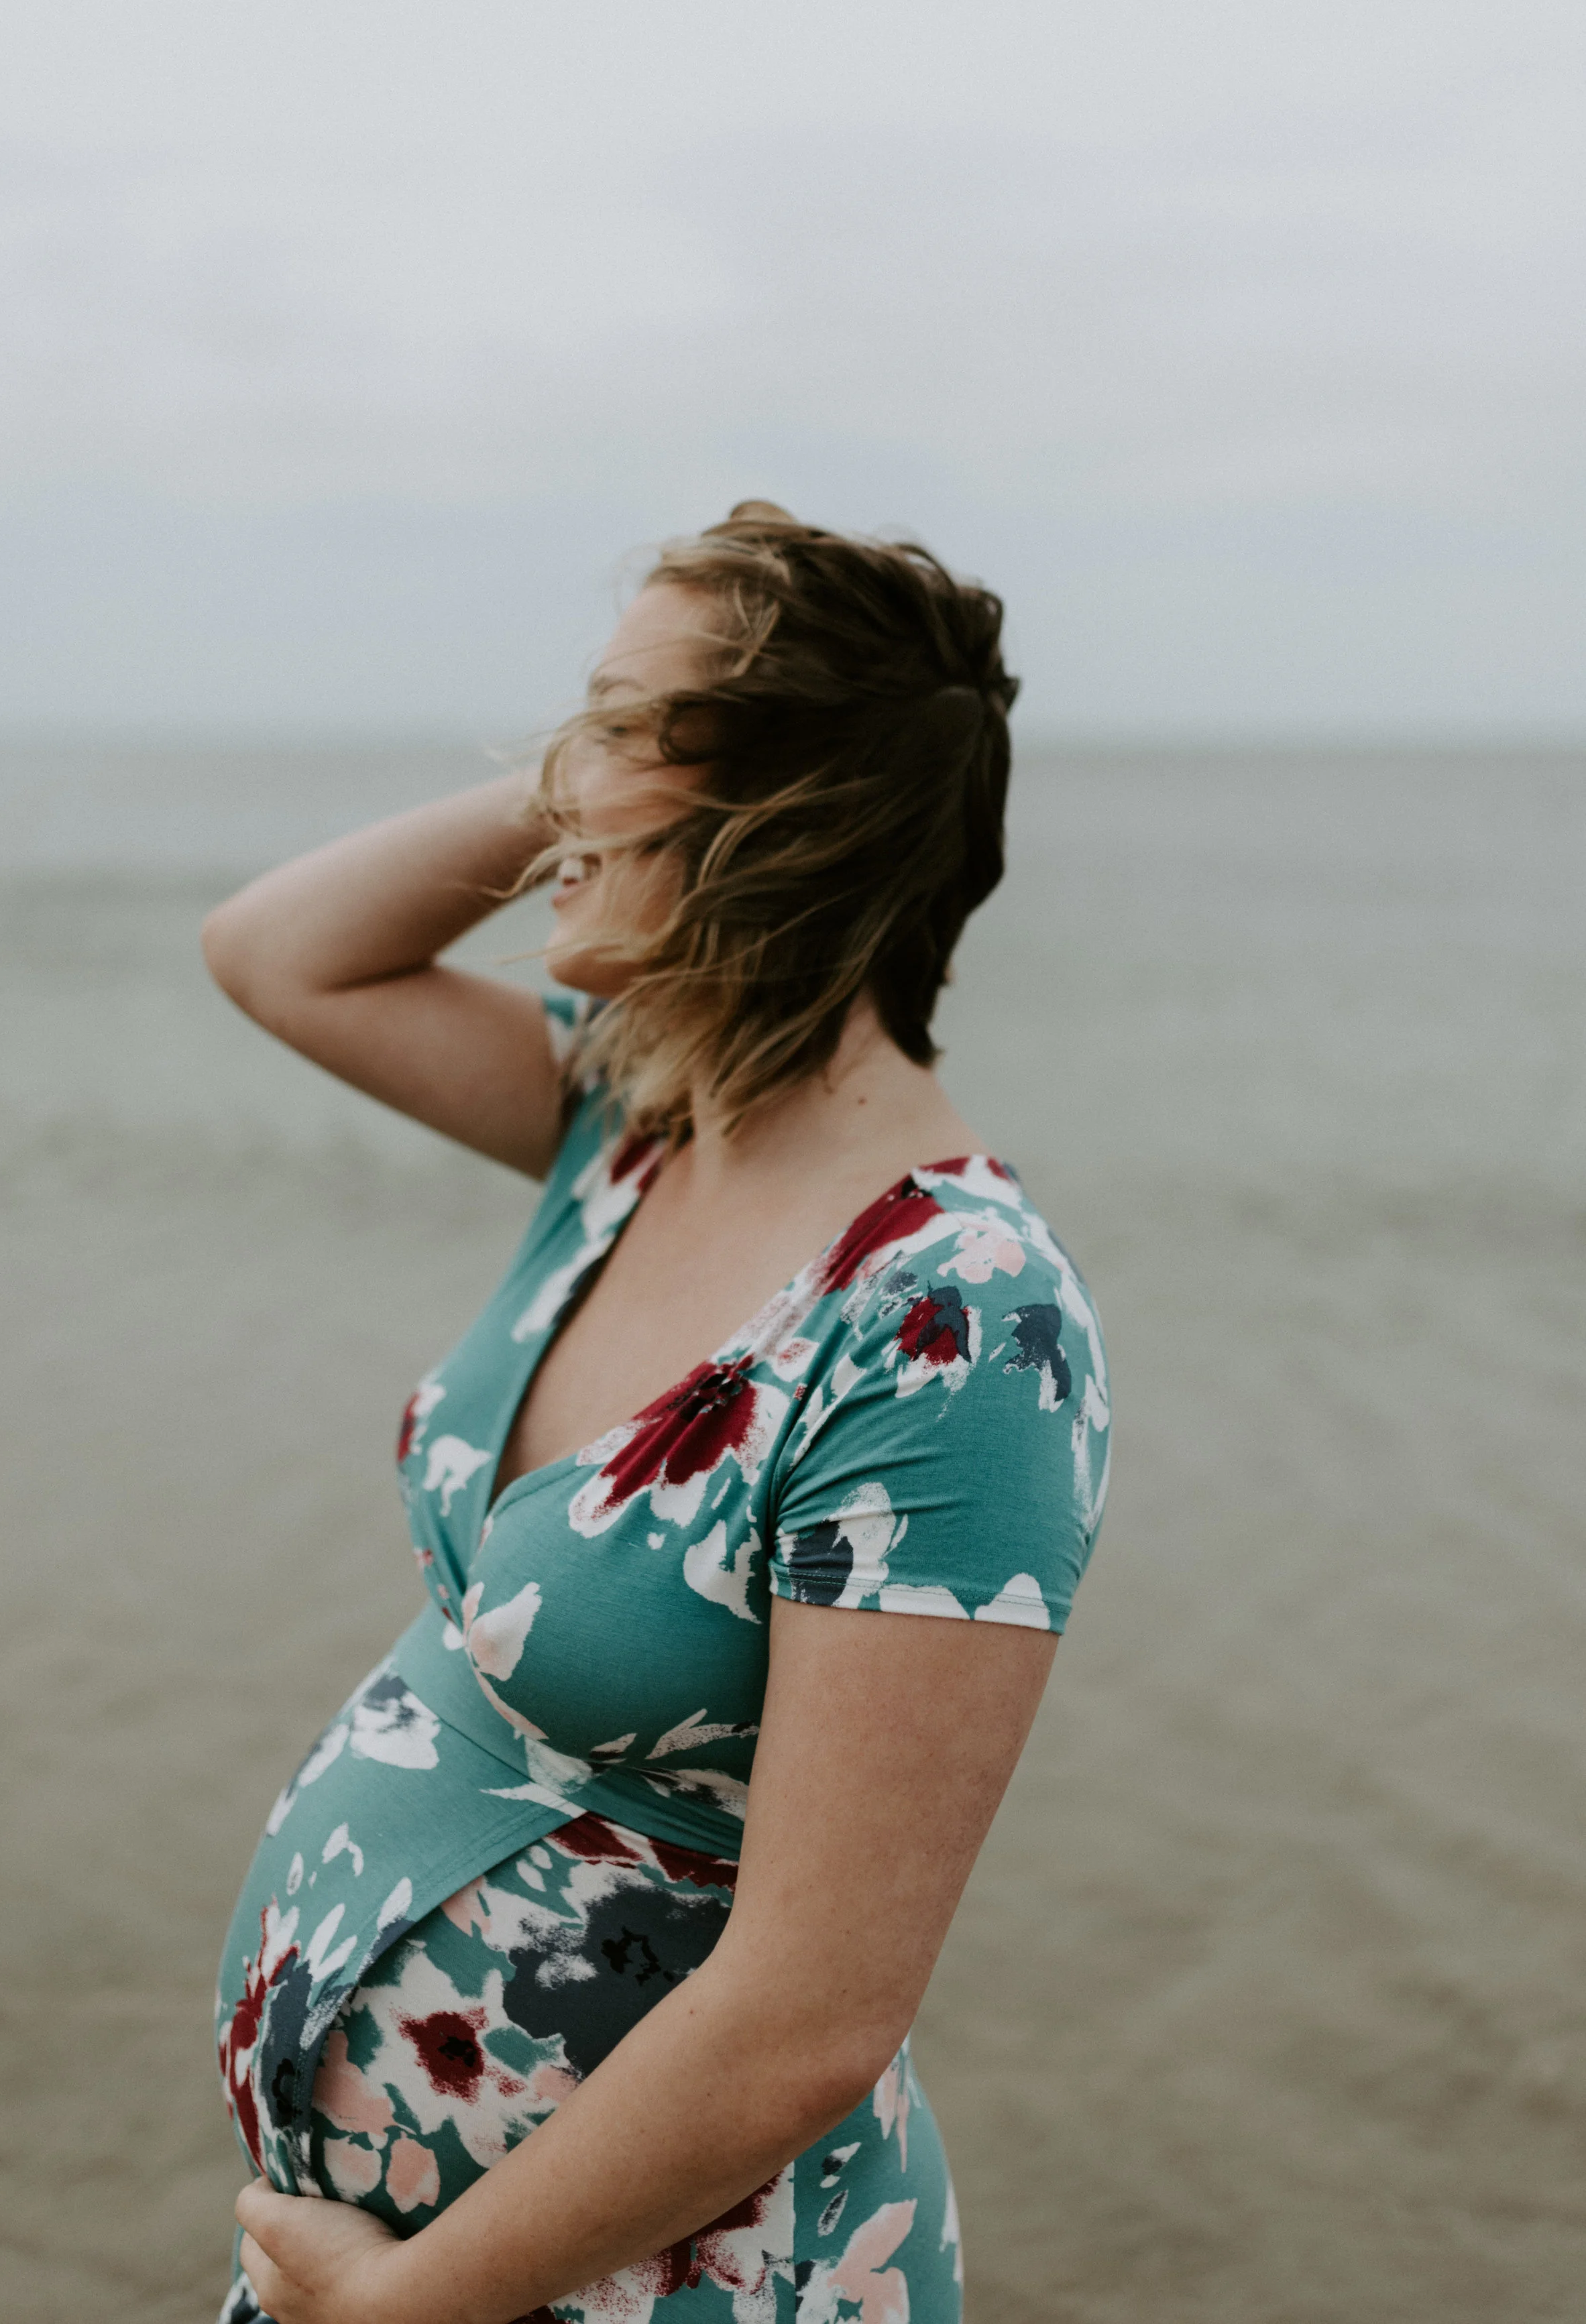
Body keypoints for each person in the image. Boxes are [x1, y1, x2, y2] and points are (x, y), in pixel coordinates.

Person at [201, 502, 1110, 2324]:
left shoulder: (951, 1321)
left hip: (661, 2288)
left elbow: (809, 2020)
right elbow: (278, 949)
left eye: (608, 722)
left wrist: (402, 2305)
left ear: (788, 810)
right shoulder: (627, 1131)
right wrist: (611, 784)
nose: (547, 779)